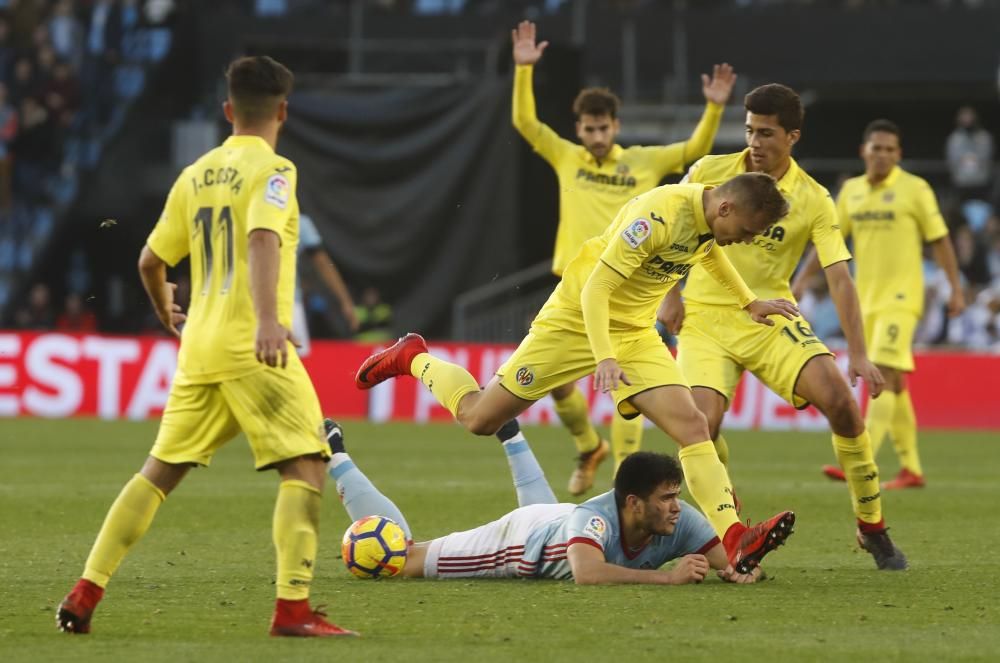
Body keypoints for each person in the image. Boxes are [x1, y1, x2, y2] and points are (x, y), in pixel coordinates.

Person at [356, 173, 801, 575]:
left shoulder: (710, 224)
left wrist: (747, 300)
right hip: (575, 321)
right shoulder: (660, 214)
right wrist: (603, 356)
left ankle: (735, 536)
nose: (743, 240)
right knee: (479, 419)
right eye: (745, 231)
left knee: (692, 425)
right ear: (725, 208)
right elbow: (597, 289)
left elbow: (708, 254)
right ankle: (413, 357)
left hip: (633, 331)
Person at [56, 55, 355, 638]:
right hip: (252, 344)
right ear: (283, 111)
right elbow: (265, 236)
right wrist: (270, 319)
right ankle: (292, 610)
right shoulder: (276, 169)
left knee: (157, 473)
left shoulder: (196, 173)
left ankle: (86, 590)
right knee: (307, 463)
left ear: (227, 110)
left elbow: (150, 259)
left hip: (199, 347)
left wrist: (164, 306)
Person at [658, 84, 907, 570]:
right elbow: (670, 226)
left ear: (792, 136)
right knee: (699, 428)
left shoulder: (813, 198)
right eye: (749, 129)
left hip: (771, 316)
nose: (755, 140)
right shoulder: (710, 172)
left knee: (840, 402)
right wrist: (670, 295)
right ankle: (732, 532)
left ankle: (872, 526)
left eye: (766, 132)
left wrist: (857, 352)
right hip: (705, 318)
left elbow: (839, 276)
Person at [511, 20, 738, 493]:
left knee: (628, 384)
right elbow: (526, 124)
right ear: (579, 129)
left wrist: (714, 108)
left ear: (616, 127)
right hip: (576, 286)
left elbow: (694, 149)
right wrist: (523, 71)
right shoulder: (567, 156)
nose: (595, 135)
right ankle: (587, 444)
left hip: (637, 285)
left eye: (603, 127)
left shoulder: (643, 161)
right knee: (557, 386)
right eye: (589, 129)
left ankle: (623, 478)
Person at [326, 418, 758, 585]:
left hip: (556, 519)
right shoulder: (595, 520)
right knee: (402, 558)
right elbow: (587, 574)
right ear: (633, 503)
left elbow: (731, 557)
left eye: (676, 496)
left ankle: (513, 436)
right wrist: (670, 579)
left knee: (547, 512)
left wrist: (745, 569)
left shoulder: (677, 519)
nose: (677, 506)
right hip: (521, 542)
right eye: (665, 498)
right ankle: (334, 452)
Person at [792, 120, 965, 490]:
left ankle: (861, 456)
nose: (883, 154)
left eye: (890, 149)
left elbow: (941, 240)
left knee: (882, 370)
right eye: (877, 148)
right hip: (865, 300)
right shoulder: (851, 191)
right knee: (896, 383)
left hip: (903, 298)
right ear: (864, 151)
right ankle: (911, 469)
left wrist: (955, 287)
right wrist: (804, 277)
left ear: (898, 154)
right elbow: (829, 240)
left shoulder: (915, 189)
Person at [291, 211, 358, 355]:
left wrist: (345, 301)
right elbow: (322, 263)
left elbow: (322, 262)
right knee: (292, 365)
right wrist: (345, 302)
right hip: (286, 306)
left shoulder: (299, 222)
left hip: (241, 303)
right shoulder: (297, 221)